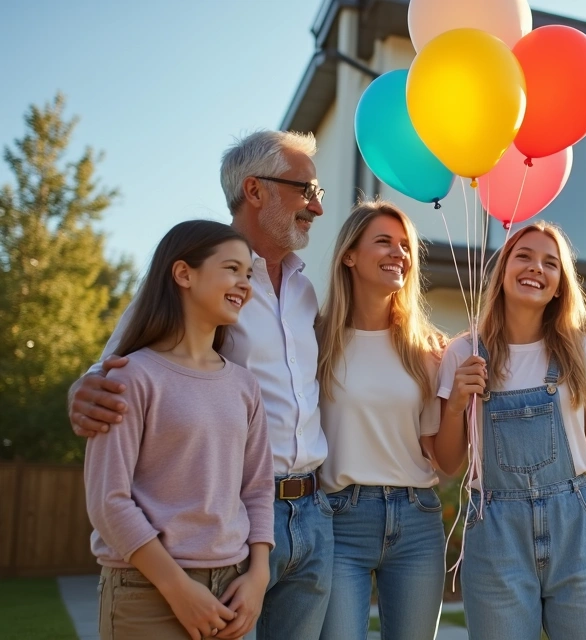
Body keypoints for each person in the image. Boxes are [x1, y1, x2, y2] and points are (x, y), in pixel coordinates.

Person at [69, 130, 333, 639]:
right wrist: (82, 389)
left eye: (316, 194)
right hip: (226, 519)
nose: (315, 208)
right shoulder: (197, 271)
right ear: (254, 191)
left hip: (311, 513)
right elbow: (117, 367)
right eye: (306, 191)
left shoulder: (306, 292)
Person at [432, 222, 586, 639]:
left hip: (575, 528)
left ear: (559, 285)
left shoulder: (580, 351)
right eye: (523, 256)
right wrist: (457, 406)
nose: (535, 267)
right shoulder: (463, 352)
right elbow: (447, 464)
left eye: (549, 263)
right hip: (495, 530)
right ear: (503, 269)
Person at [85, 220, 273, 640]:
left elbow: (258, 490)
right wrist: (176, 588)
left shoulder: (245, 386)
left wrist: (258, 576)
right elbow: (108, 501)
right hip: (145, 591)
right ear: (184, 274)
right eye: (231, 269)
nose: (244, 284)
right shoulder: (128, 377)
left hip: (232, 594)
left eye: (248, 274)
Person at [315, 200, 447, 640]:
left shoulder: (426, 350)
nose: (400, 253)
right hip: (338, 517)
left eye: (405, 245)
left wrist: (462, 401)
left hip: (418, 520)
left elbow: (443, 457)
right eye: (384, 242)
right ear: (349, 255)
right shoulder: (313, 341)